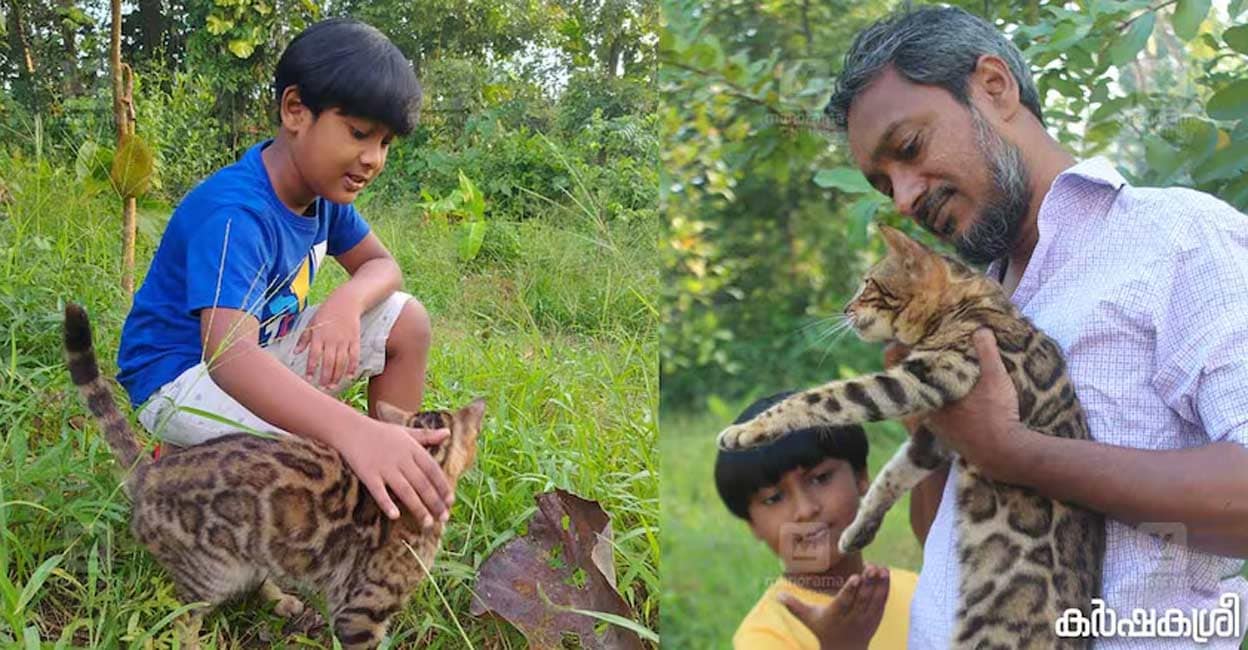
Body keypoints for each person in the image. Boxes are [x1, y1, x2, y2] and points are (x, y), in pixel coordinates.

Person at [822, 5, 1248, 648]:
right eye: (884, 184)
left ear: (994, 87)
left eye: (909, 149)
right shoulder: (974, 306)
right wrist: (936, 441)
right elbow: (945, 543)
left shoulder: (1181, 239)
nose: (904, 197)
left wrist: (1015, 452)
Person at [115, 18, 453, 529]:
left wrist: (346, 302)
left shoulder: (323, 197)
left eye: (384, 142)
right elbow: (231, 360)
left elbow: (384, 267)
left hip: (250, 352)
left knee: (406, 320)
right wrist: (350, 432)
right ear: (295, 110)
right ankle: (183, 471)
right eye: (359, 133)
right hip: (179, 379)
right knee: (324, 458)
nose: (372, 159)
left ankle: (389, 487)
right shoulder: (236, 212)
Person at [716, 391, 918, 649]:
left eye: (820, 478)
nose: (805, 510)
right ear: (751, 524)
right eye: (774, 498)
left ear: (861, 477)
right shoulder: (764, 635)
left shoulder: (918, 591)